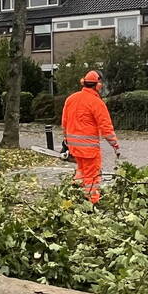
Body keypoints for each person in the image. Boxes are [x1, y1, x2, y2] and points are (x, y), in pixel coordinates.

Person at [61, 70, 120, 204]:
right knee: (92, 177)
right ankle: (92, 203)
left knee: (80, 172)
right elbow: (106, 127)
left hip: (74, 147)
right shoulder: (96, 102)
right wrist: (115, 145)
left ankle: (75, 196)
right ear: (97, 85)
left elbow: (64, 122)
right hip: (89, 149)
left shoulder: (71, 99)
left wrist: (66, 140)